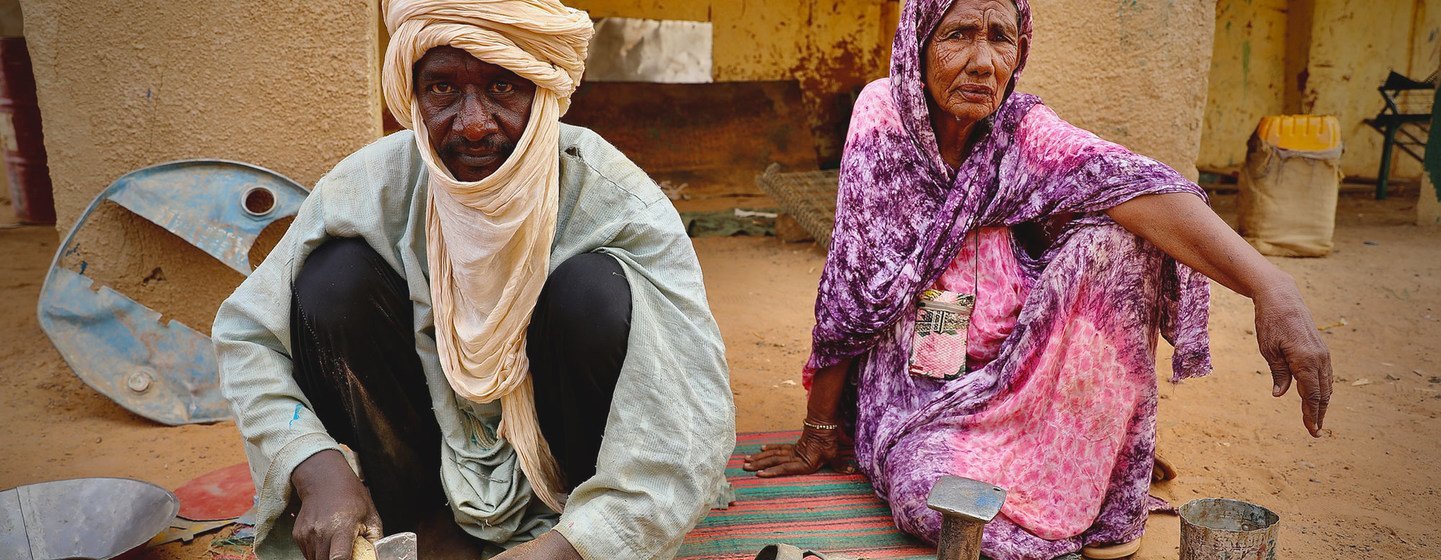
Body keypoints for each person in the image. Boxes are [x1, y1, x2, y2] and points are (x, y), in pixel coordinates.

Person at [742, 1, 1333, 559]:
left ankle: (1092, 458)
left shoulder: (1022, 128)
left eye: (1001, 38)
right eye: (958, 35)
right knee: (933, 499)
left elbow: (1136, 181)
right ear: (917, 45)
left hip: (1025, 375)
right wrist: (820, 428)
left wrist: (1270, 286)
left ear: (1020, 50)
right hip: (922, 393)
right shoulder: (884, 117)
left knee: (1121, 240)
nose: (983, 62)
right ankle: (1066, 479)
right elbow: (852, 291)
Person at [213, 1, 734, 559]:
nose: (474, 125)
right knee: (332, 279)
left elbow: (691, 407)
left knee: (593, 291)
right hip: (423, 463)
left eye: (502, 86)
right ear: (412, 94)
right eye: (441, 88)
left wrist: (579, 546)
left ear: (542, 92)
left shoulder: (616, 201)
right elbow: (248, 334)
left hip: (575, 472)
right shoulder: (373, 184)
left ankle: (577, 526)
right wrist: (313, 464)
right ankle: (423, 520)